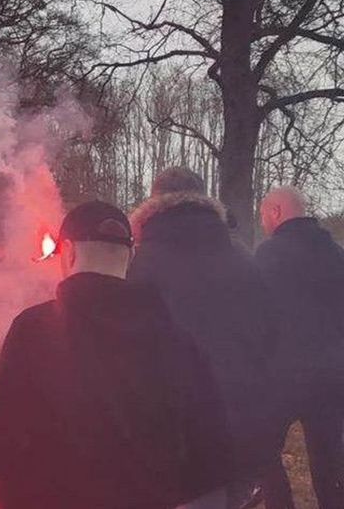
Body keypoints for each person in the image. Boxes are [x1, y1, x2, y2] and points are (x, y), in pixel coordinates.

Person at [0, 201, 231, 509]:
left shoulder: (32, 330)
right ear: (131, 256)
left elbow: (1, 449)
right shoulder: (173, 336)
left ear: (69, 252)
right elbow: (211, 445)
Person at [128, 167, 282, 507]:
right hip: (242, 430)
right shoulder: (242, 257)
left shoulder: (141, 265)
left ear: (153, 205)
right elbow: (269, 338)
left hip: (177, 437)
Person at [257, 187, 344, 509]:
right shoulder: (336, 254)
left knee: (262, 450)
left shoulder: (268, 255)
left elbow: (258, 315)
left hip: (284, 376)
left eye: (264, 214)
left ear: (277, 212)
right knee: (330, 463)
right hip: (333, 376)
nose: (263, 221)